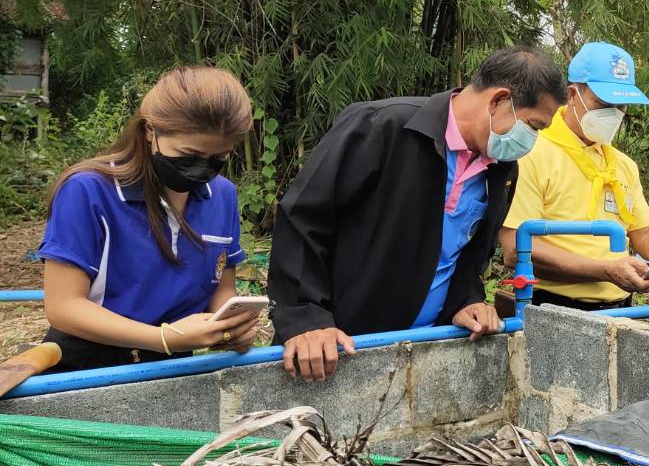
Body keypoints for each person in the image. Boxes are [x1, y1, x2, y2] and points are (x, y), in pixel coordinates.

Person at [269, 47, 563, 381]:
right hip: (336, 348)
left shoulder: (501, 171)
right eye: (533, 126)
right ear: (498, 100)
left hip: (424, 353)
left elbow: (470, 255)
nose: (531, 141)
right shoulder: (381, 127)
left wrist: (466, 301)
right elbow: (304, 217)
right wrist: (305, 317)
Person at [38, 66, 263, 373]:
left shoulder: (222, 196)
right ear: (149, 131)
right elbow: (63, 306)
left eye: (219, 158)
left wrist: (229, 328)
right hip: (88, 370)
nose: (202, 169)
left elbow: (222, 287)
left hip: (172, 369)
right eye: (189, 155)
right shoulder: (88, 191)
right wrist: (163, 338)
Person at [499, 41, 649, 310]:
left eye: (621, 106)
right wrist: (604, 270)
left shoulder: (621, 165)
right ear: (573, 94)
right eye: (603, 103)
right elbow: (514, 247)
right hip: (555, 309)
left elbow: (644, 236)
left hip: (621, 309)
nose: (613, 114)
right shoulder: (533, 153)